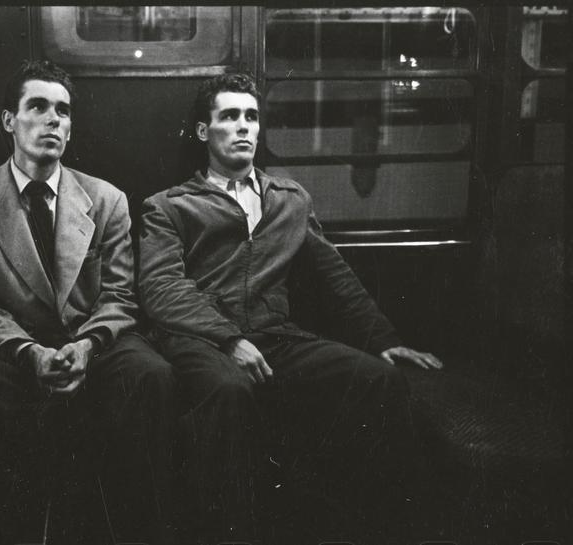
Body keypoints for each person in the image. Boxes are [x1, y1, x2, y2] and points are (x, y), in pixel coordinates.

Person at [138, 73, 443, 544]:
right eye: (229, 116)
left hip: (274, 336)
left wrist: (383, 340)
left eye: (251, 116)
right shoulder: (169, 206)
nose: (243, 126)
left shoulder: (290, 200)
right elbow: (160, 287)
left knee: (377, 379)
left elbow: (335, 275)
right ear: (203, 132)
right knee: (230, 390)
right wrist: (228, 339)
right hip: (200, 340)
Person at [0, 60, 174, 545]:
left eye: (63, 110)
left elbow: (120, 295)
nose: (53, 119)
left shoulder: (106, 200)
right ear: (8, 121)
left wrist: (87, 346)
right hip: (13, 345)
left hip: (91, 341)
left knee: (152, 375)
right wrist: (30, 352)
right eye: (37, 107)